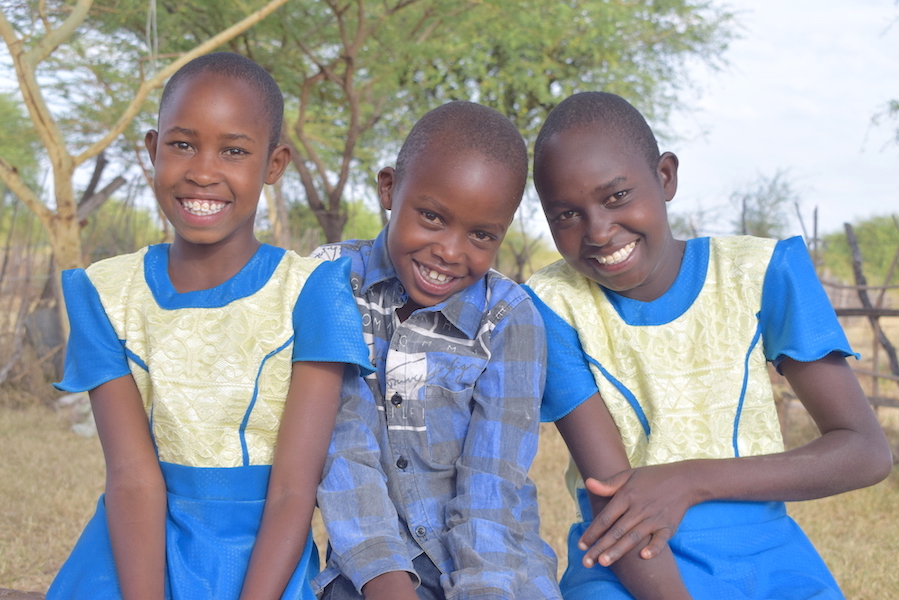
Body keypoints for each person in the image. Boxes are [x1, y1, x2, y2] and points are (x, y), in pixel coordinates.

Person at [525, 91, 893, 600]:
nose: (600, 231)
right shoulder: (552, 304)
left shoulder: (760, 272)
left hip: (769, 557)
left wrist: (691, 480)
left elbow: (865, 451)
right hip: (628, 565)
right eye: (566, 215)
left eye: (616, 197)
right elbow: (614, 500)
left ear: (666, 177)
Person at [46, 52, 372, 600]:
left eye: (234, 151)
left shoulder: (311, 293)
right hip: (131, 558)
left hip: (261, 566)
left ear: (274, 165)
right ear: (153, 150)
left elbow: (294, 490)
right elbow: (132, 476)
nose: (202, 170)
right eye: (182, 144)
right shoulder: (105, 293)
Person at [309, 101, 562, 600]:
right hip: (371, 565)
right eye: (431, 216)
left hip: (496, 558)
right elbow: (343, 446)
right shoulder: (335, 282)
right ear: (388, 189)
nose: (449, 250)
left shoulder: (509, 317)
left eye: (481, 235)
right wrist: (386, 579)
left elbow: (492, 483)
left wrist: (484, 588)